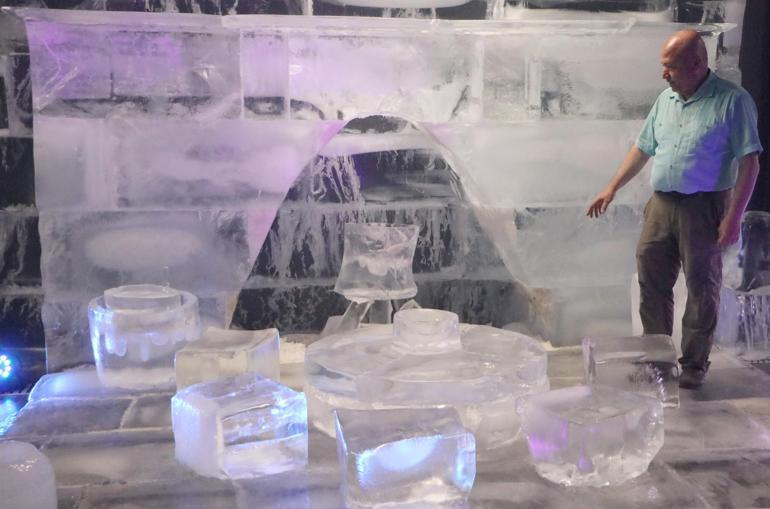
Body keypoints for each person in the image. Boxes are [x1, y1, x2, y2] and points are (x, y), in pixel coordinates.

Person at [586, 29, 762, 390]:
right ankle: (658, 361)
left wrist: (733, 218)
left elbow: (750, 164)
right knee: (651, 280)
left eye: (670, 67)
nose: (663, 74)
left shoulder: (733, 101)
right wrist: (611, 188)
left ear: (697, 64)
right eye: (663, 66)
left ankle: (694, 364)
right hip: (661, 204)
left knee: (701, 286)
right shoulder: (665, 99)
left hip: (704, 206)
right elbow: (642, 148)